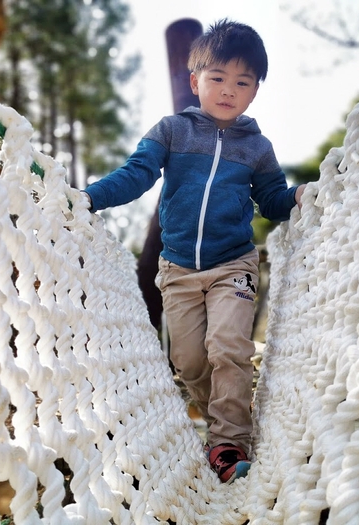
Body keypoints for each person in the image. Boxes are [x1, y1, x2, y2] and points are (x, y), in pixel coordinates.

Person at [82, 19, 305, 483]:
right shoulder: (171, 131)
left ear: (255, 91)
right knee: (189, 361)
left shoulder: (258, 148)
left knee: (228, 347)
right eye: (217, 78)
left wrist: (300, 197)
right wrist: (89, 197)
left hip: (234, 264)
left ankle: (228, 443)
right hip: (178, 268)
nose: (229, 90)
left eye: (243, 82)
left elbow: (272, 200)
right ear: (195, 81)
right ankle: (220, 418)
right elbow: (135, 174)